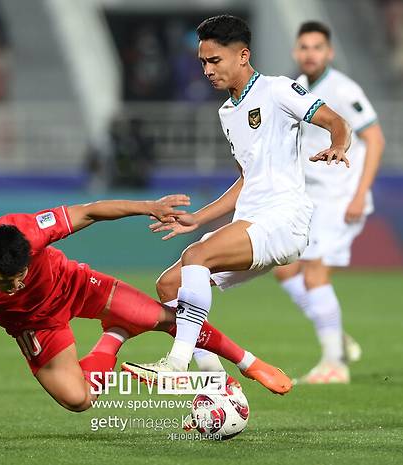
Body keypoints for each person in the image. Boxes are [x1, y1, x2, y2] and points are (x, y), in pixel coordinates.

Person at [121, 15, 352, 387]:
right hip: (251, 223)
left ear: (242, 56)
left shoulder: (278, 90)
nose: (208, 70)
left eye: (215, 61)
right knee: (169, 286)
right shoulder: (228, 112)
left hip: (283, 220)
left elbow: (336, 121)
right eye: (202, 63)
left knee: (197, 257)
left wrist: (338, 145)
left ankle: (177, 366)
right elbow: (247, 178)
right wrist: (198, 218)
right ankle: (217, 387)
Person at [0, 195, 292, 413]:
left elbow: (90, 211)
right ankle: (116, 332)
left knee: (167, 319)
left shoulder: (30, 229)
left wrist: (148, 207)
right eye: (7, 281)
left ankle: (249, 362)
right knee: (79, 401)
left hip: (77, 285)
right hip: (36, 327)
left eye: (22, 273)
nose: (18, 283)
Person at [187, 21, 386, 385]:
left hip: (338, 195)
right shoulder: (281, 92)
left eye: (317, 48)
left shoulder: (337, 88)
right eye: (304, 48)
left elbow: (370, 135)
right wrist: (199, 218)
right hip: (304, 191)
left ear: (329, 52)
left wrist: (358, 189)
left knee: (313, 274)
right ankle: (330, 329)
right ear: (296, 52)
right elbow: (247, 176)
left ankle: (334, 360)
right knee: (284, 271)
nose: (310, 54)